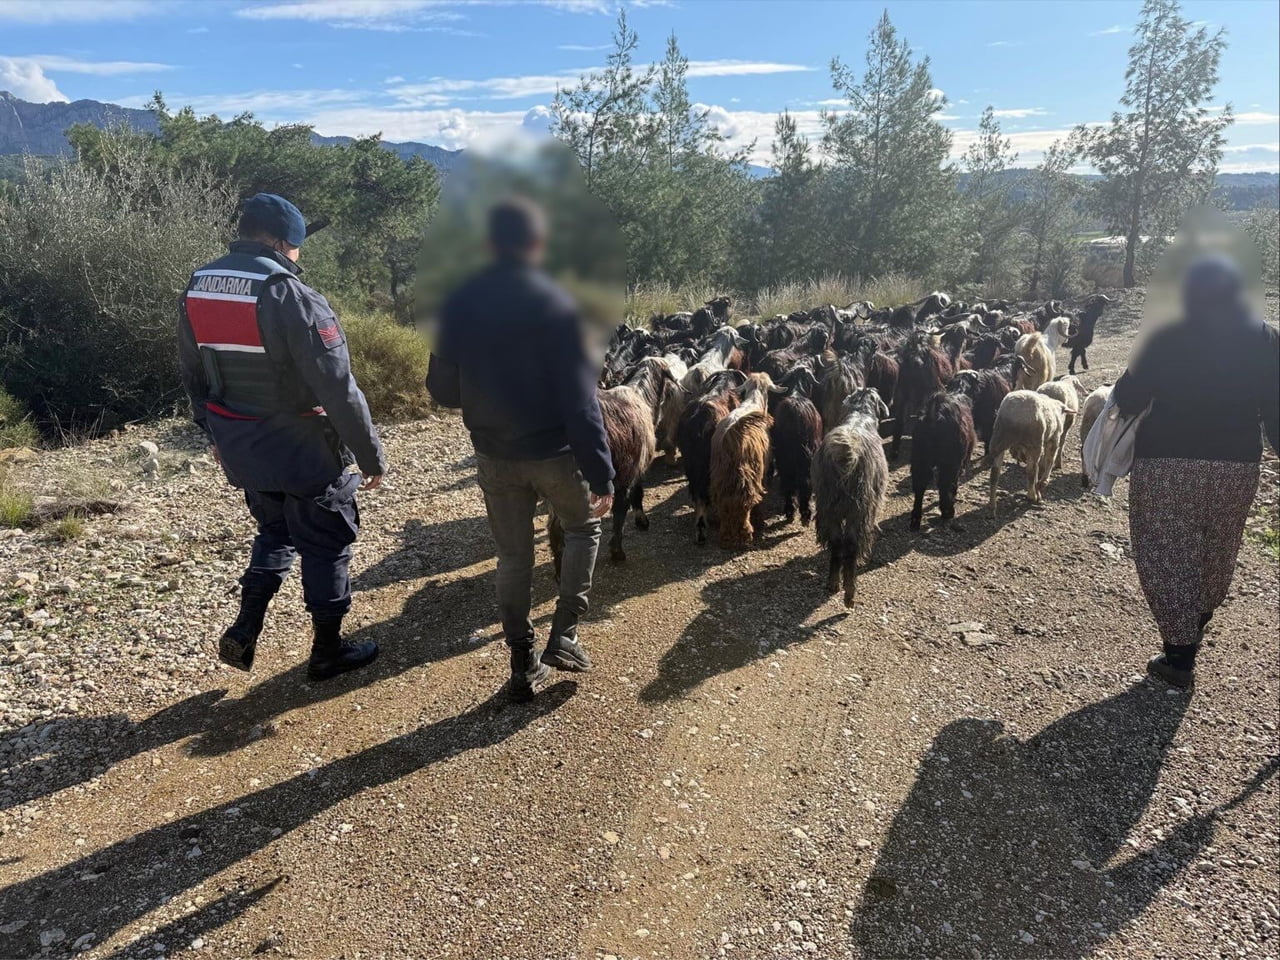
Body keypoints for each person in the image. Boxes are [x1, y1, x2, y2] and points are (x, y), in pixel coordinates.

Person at [178, 193, 385, 682]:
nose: (298, 255)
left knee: (274, 530)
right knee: (327, 540)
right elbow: (337, 387)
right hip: (302, 447)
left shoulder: (199, 285)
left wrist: (211, 429)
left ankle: (247, 625)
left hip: (242, 444)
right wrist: (370, 455)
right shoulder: (288, 293)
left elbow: (192, 371)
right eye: (296, 246)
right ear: (277, 241)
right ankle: (328, 650)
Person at [425, 197, 615, 701]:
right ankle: (566, 634)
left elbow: (440, 389)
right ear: (537, 245)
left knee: (512, 556)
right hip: (554, 452)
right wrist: (602, 474)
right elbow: (581, 403)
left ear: (488, 245)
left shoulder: (459, 304)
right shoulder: (558, 303)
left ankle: (521, 658)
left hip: (493, 455)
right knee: (582, 528)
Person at [1114, 255, 1279, 689]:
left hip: (1166, 466)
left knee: (1164, 554)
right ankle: (1196, 621)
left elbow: (1129, 398)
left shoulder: (1165, 337)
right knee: (1218, 551)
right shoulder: (1266, 339)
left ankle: (1179, 656)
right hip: (1236, 469)